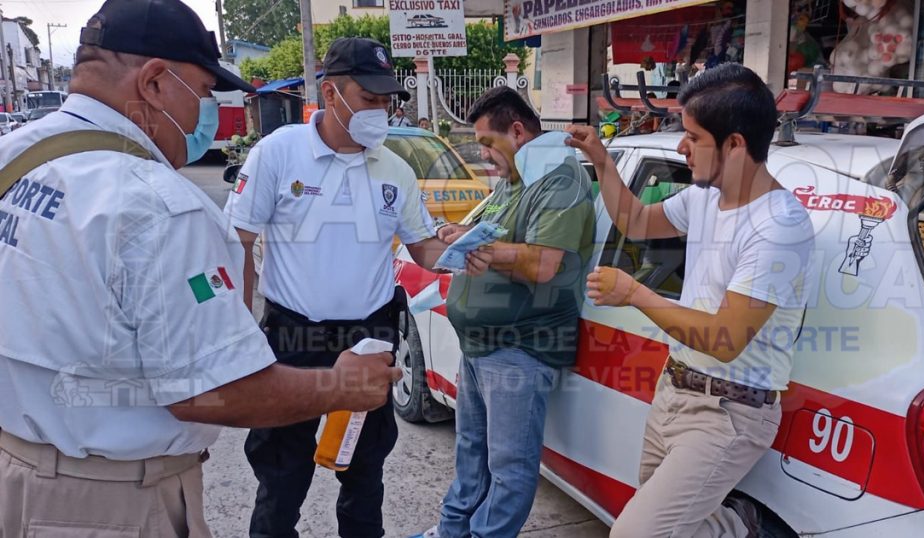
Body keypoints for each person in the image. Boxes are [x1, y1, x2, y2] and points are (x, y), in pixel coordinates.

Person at [0, 1, 400, 536]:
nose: (203, 115)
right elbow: (210, 391)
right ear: (157, 82)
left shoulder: (15, 156)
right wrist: (340, 386)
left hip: (14, 467)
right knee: (282, 483)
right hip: (108, 502)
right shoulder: (159, 205)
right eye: (205, 94)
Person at [224, 37, 490, 538]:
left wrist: (462, 250)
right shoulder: (278, 154)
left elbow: (424, 251)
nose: (381, 111)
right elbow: (238, 244)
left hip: (368, 338)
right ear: (330, 94)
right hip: (294, 339)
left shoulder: (394, 170)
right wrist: (240, 336)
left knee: (365, 470)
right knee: (282, 472)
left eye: (387, 100)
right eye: (369, 99)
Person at [567, 64, 815, 537]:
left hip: (728, 413)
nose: (682, 147)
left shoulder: (778, 225)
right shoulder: (705, 197)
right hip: (675, 391)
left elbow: (724, 339)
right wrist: (603, 161)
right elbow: (636, 222)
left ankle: (739, 528)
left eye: (693, 136)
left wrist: (634, 293)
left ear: (736, 145)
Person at [413, 86, 596, 538]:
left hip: (519, 346)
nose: (484, 154)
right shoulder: (517, 178)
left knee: (509, 466)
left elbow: (544, 263)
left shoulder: (558, 179)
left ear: (517, 131)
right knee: (471, 453)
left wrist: (486, 250)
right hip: (481, 345)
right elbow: (492, 230)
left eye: (488, 143)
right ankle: (452, 531)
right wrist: (462, 232)